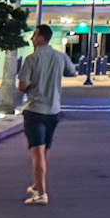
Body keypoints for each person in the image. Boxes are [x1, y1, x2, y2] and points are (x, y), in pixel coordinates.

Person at [16, 23, 75, 204]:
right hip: (53, 110)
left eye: (34, 36)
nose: (32, 39)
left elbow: (22, 85)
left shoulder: (32, 59)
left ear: (41, 38)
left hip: (35, 110)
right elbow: (72, 72)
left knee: (37, 152)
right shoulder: (60, 56)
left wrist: (33, 84)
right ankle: (37, 183)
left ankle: (41, 193)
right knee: (44, 150)